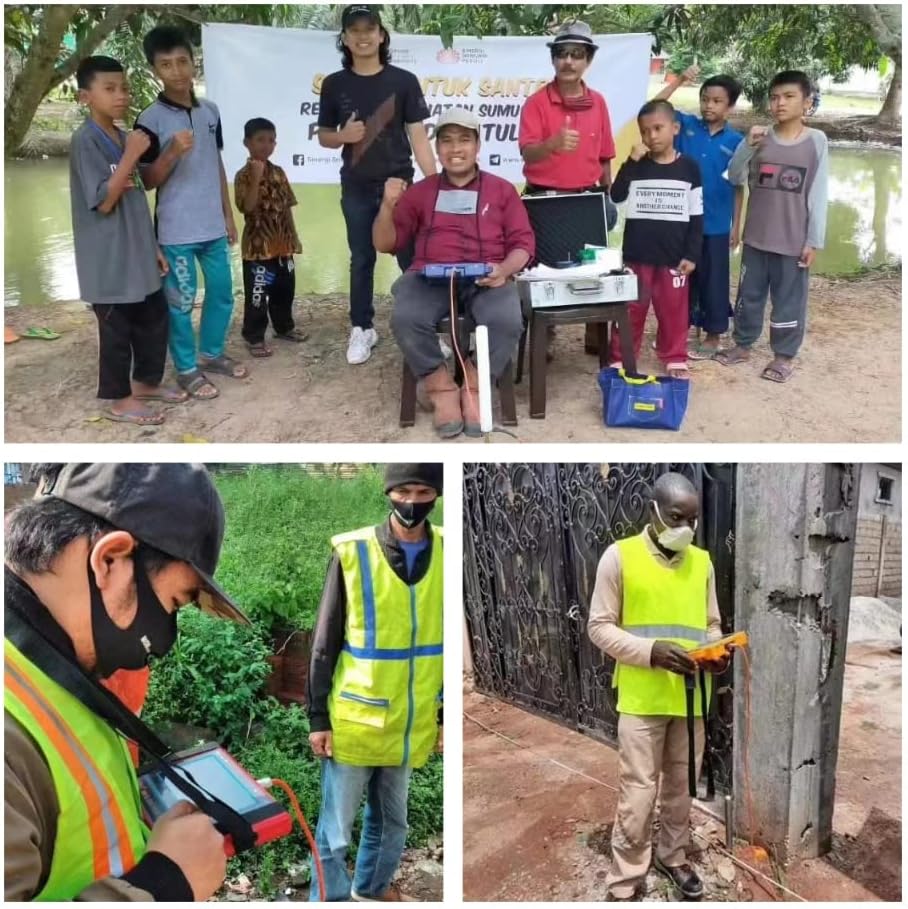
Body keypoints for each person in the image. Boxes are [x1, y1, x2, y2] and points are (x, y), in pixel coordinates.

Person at [5, 463, 251, 901]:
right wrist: (164, 884)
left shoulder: (56, 670)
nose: (165, 636)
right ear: (110, 560)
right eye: (175, 603)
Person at [587, 472, 728, 902]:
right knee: (639, 790)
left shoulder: (702, 562)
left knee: (682, 786)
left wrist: (716, 650)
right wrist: (651, 651)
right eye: (676, 517)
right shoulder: (620, 557)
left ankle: (674, 855)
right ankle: (627, 875)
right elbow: (598, 627)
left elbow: (710, 622)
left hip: (690, 699)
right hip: (643, 700)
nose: (685, 527)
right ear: (654, 511)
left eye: (693, 519)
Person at [306, 463, 444, 902]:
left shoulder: (446, 549)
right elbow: (324, 643)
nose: (412, 500)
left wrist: (439, 716)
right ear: (389, 493)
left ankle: (369, 893)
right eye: (403, 489)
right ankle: (329, 900)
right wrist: (317, 717)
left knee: (392, 825)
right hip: (354, 722)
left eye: (423, 490)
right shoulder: (353, 553)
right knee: (334, 834)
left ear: (435, 496)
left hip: (409, 723)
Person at [374, 108, 535, 438]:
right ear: (437, 149)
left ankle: (474, 386)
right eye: (446, 141)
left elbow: (524, 243)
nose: (455, 148)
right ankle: (441, 388)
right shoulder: (421, 192)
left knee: (507, 318)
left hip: (486, 278)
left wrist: (503, 269)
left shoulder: (502, 190)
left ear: (478, 146)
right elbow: (384, 242)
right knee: (404, 315)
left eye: (464, 140)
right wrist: (387, 205)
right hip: (430, 277)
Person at [69, 55, 188, 426]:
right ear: (84, 97)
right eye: (109, 88)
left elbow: (135, 194)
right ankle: (119, 399)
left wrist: (153, 248)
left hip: (137, 253)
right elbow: (104, 200)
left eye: (123, 87)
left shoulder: (123, 137)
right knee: (117, 332)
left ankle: (145, 383)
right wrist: (133, 154)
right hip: (107, 260)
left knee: (154, 317)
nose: (120, 95)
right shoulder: (86, 140)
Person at [318, 5, 437, 366]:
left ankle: (427, 327)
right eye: (354, 30)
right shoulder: (334, 84)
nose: (363, 36)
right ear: (345, 39)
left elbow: (419, 138)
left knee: (413, 258)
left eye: (369, 29)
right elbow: (324, 136)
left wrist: (435, 186)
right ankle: (362, 328)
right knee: (362, 258)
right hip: (355, 186)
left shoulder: (403, 81)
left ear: (382, 35)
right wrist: (343, 136)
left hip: (399, 184)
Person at [137, 25, 247, 401]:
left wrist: (228, 214)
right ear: (155, 70)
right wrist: (169, 153)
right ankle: (186, 369)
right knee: (181, 303)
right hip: (175, 231)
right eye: (166, 64)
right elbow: (147, 180)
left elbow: (214, 162)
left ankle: (211, 353)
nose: (177, 71)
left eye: (182, 61)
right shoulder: (149, 119)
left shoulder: (210, 112)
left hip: (212, 226)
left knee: (222, 293)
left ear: (193, 63)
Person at [717, 70, 829, 383]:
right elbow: (735, 177)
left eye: (789, 96)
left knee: (789, 300)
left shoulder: (816, 141)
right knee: (749, 295)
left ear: (806, 102)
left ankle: (783, 356)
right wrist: (747, 147)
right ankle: (743, 344)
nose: (780, 103)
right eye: (776, 97)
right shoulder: (759, 137)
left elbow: (818, 193)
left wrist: (813, 240)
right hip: (756, 237)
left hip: (793, 240)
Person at [519, 19, 618, 362]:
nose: (569, 62)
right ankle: (545, 332)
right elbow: (528, 152)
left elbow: (605, 155)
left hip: (588, 198)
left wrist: (606, 194)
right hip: (544, 198)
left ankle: (594, 330)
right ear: (553, 59)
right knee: (542, 270)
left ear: (587, 60)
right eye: (562, 54)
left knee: (593, 267)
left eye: (577, 54)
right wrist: (553, 144)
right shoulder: (536, 103)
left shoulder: (599, 102)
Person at [608, 101, 703, 379]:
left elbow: (697, 216)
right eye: (645, 131)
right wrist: (630, 162)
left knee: (673, 310)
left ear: (675, 128)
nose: (652, 137)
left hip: (674, 256)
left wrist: (692, 254)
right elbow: (616, 195)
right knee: (631, 308)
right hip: (637, 254)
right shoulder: (637, 166)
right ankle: (621, 356)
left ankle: (674, 356)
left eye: (658, 128)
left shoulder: (690, 168)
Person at [654, 67, 745, 358]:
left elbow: (739, 186)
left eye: (717, 101)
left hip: (717, 224)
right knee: (678, 280)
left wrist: (736, 226)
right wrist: (680, 80)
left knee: (713, 280)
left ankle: (713, 334)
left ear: (730, 106)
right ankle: (676, 331)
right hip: (681, 222)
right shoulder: (685, 126)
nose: (709, 105)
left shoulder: (737, 142)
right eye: (705, 99)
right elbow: (653, 109)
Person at [234, 117, 306, 358]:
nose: (267, 145)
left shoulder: (279, 173)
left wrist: (294, 237)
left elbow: (287, 207)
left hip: (282, 244)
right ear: (247, 143)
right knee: (257, 294)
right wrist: (256, 176)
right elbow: (247, 206)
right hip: (257, 247)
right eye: (260, 140)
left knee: (285, 289)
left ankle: (284, 327)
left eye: (271, 141)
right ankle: (254, 336)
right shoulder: (243, 175)